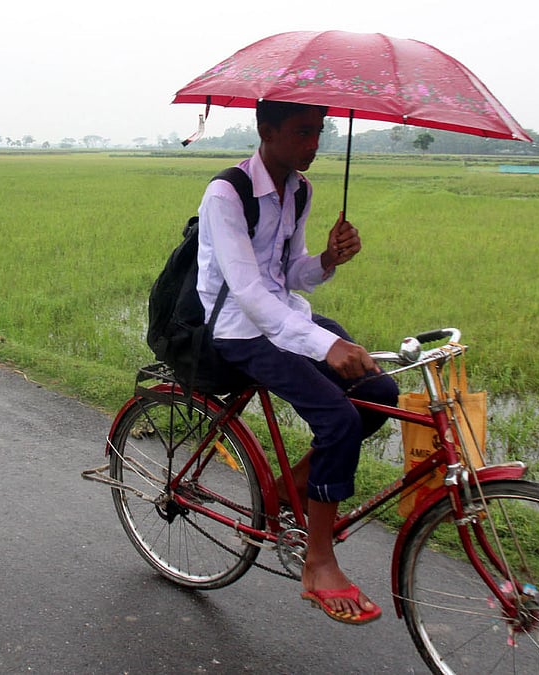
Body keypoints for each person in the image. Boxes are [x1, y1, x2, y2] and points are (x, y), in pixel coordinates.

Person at [197, 99, 400, 626]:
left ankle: (290, 491)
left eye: (320, 131)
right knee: (337, 419)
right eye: (303, 132)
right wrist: (323, 345)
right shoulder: (227, 193)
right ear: (266, 131)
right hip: (240, 330)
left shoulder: (299, 190)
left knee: (380, 394)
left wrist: (328, 260)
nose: (316, 143)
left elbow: (287, 276)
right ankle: (318, 561)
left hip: (282, 316)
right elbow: (247, 291)